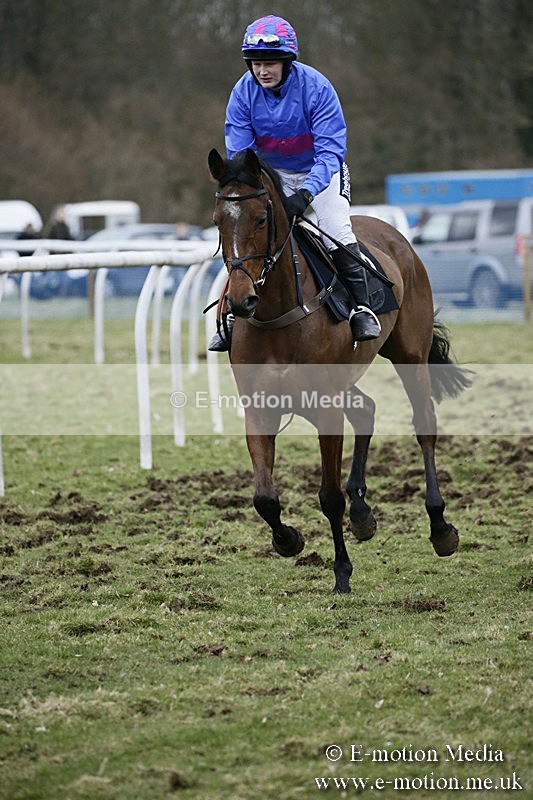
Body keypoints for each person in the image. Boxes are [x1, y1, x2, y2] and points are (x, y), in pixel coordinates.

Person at [209, 14, 381, 352]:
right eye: (256, 63)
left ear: (288, 62)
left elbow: (330, 150)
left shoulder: (317, 88)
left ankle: (362, 308)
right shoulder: (242, 93)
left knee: (335, 228)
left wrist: (305, 193)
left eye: (270, 63)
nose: (262, 71)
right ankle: (232, 312)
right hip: (272, 174)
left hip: (321, 170)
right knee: (248, 230)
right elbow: (241, 155)